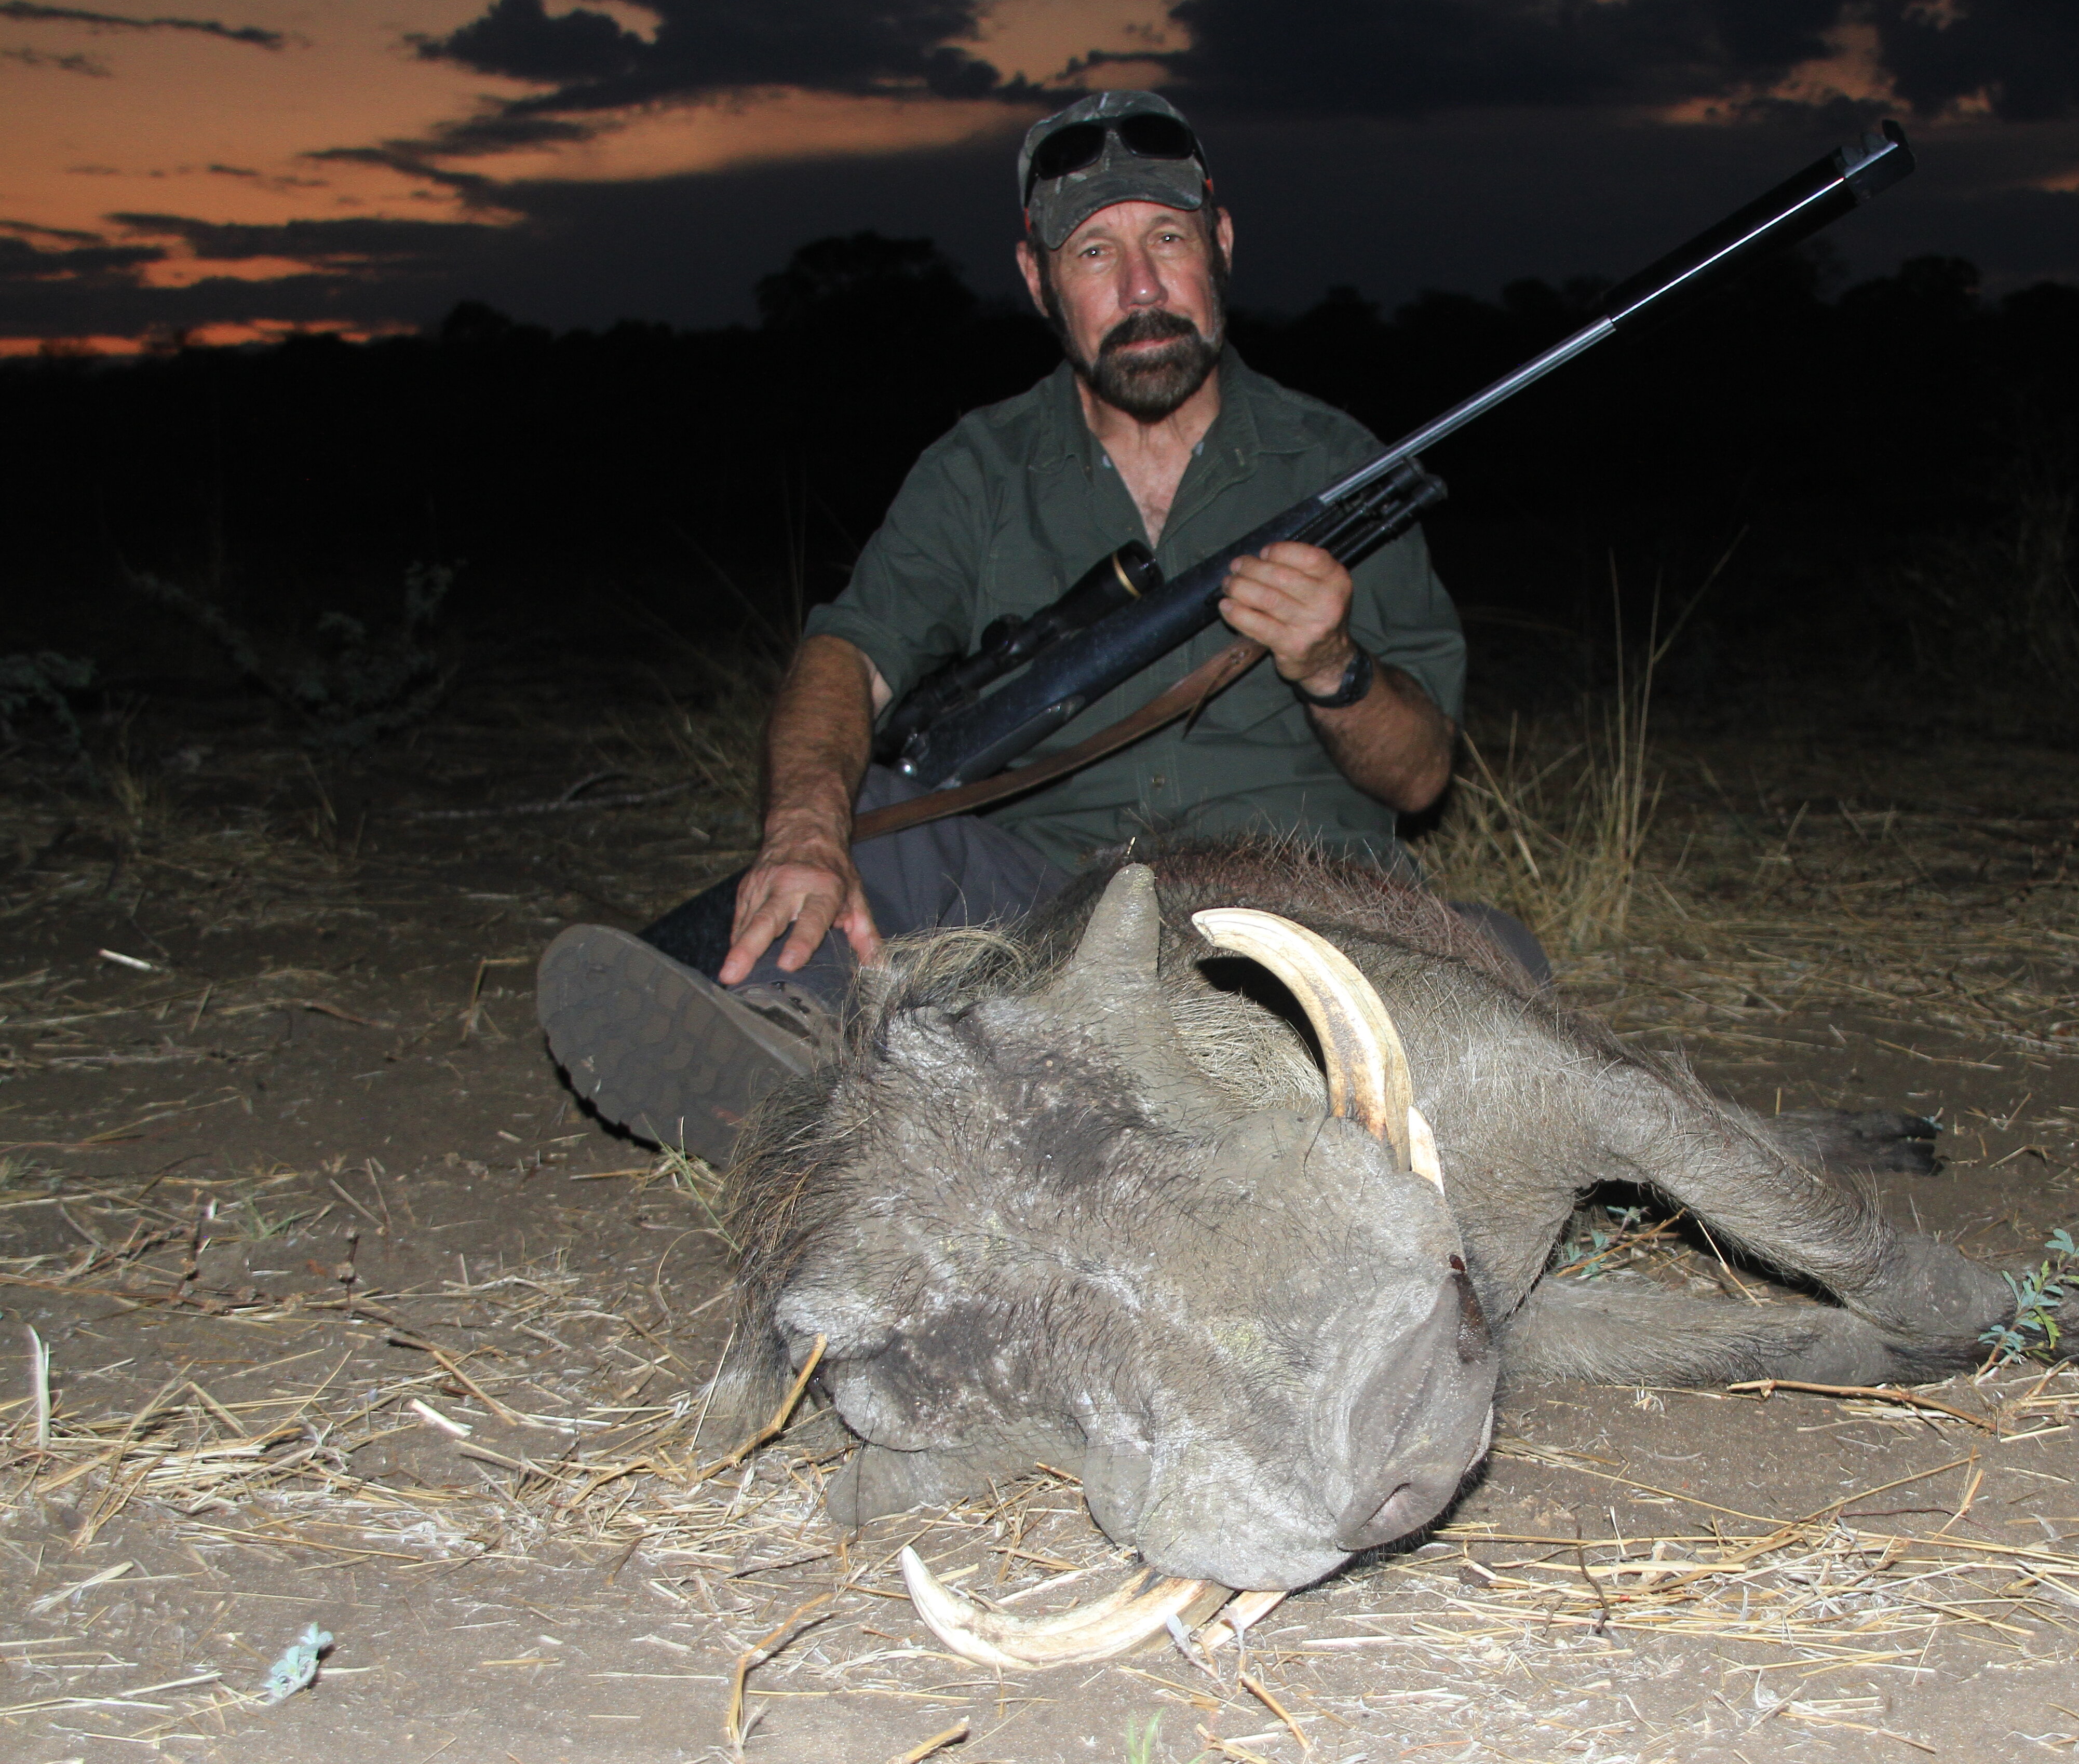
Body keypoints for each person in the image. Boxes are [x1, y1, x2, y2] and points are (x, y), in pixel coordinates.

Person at [538, 90, 1530, 1164]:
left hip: (1295, 912)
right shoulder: (977, 467)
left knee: (1495, 963)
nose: (1141, 288)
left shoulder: (1337, 464)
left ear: (1222, 243)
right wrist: (805, 838)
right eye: (1095, 253)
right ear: (1038, 282)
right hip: (1052, 912)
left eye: (1168, 241)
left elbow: (1421, 777)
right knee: (874, 817)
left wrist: (1333, 669)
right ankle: (782, 1053)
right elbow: (846, 657)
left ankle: (981, 1104)